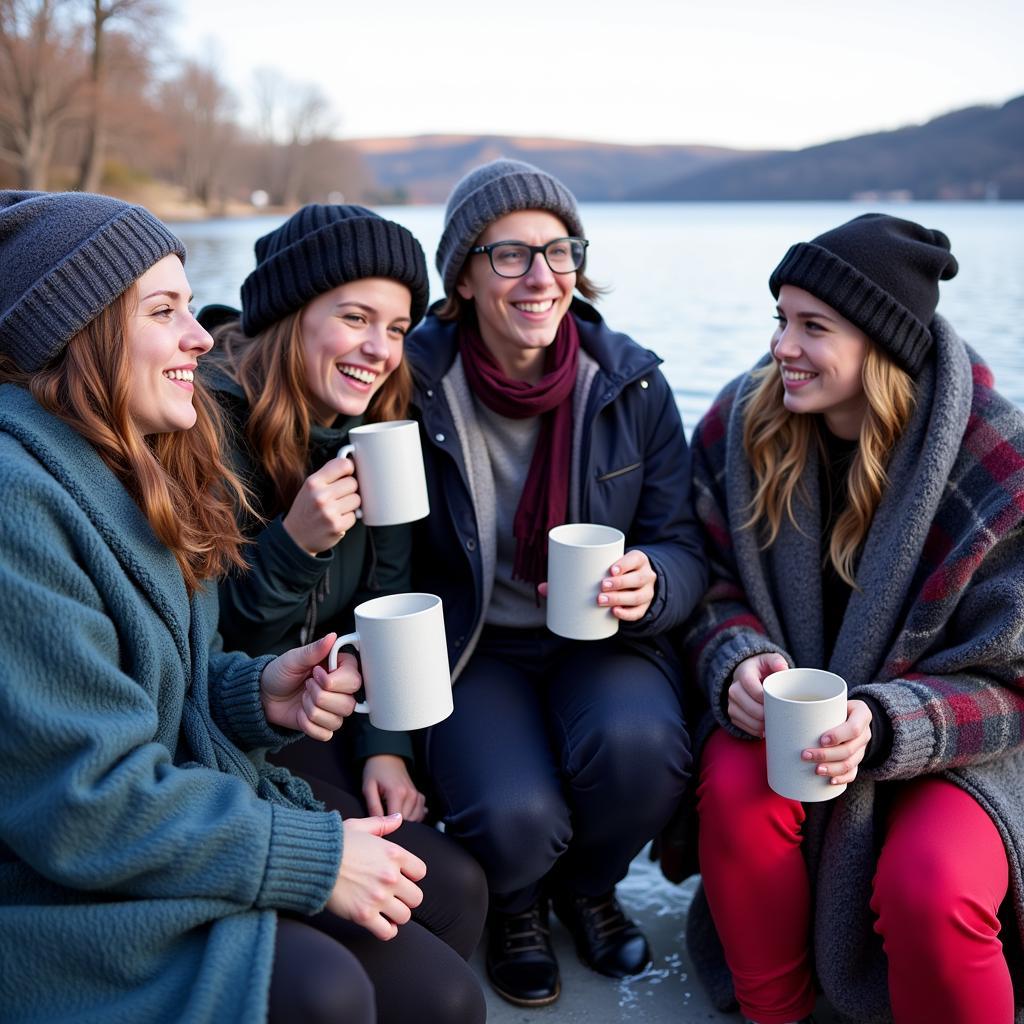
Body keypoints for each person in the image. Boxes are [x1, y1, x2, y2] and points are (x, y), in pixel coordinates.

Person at [0, 191, 486, 1024]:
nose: (200, 336)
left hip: (183, 793)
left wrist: (257, 693)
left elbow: (164, 683)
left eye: (191, 308)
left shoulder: (131, 461)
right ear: (78, 332)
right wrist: (310, 854)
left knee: (447, 953)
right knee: (333, 993)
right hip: (62, 886)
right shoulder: (25, 500)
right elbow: (84, 798)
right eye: (165, 311)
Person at [680, 213, 1024, 1024]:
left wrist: (884, 721)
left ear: (882, 346)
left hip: (953, 743)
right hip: (797, 727)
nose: (780, 348)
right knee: (737, 785)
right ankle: (776, 1010)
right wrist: (737, 658)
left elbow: (1014, 679)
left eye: (813, 327)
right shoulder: (741, 427)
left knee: (931, 889)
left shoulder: (996, 460)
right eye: (780, 319)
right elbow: (707, 584)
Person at [405, 159, 708, 1007]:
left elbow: (681, 542)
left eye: (559, 250)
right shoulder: (417, 383)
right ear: (462, 276)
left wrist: (654, 581)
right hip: (474, 645)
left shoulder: (631, 381)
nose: (541, 278)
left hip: (601, 637)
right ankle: (518, 905)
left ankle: (588, 889)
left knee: (643, 751)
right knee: (513, 814)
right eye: (509, 256)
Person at [200, 203, 432, 822]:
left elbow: (390, 594)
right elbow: (199, 641)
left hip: (331, 715)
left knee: (456, 874)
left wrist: (386, 747)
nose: (379, 350)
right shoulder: (204, 432)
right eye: (355, 317)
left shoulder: (379, 431)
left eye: (398, 328)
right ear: (290, 317)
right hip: (228, 726)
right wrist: (294, 545)